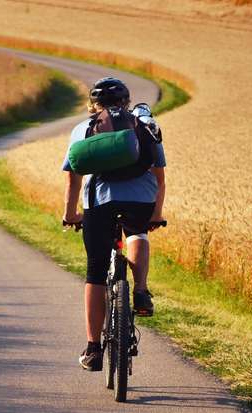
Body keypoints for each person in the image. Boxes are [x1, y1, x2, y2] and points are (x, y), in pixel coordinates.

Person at [61, 77, 166, 371]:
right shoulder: (144, 124)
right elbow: (159, 177)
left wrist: (71, 214)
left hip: (99, 202)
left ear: (94, 105)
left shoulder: (82, 129)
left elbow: (73, 177)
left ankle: (94, 349)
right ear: (127, 101)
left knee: (95, 271)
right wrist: (156, 214)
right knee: (137, 233)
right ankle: (141, 290)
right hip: (141, 199)